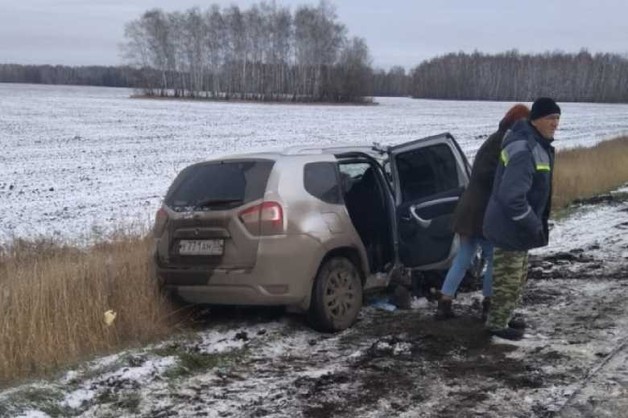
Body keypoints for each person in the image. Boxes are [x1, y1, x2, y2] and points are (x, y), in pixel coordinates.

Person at [435, 104, 531, 320]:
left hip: (468, 208)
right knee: (494, 258)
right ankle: (489, 304)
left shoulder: (493, 139)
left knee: (464, 257)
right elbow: (496, 178)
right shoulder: (506, 142)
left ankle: (444, 302)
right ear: (519, 123)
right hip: (482, 212)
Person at [483, 97, 560, 340]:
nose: (555, 123)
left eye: (558, 118)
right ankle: (496, 325)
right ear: (535, 119)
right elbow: (512, 196)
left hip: (520, 228)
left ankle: (504, 317)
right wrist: (532, 222)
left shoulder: (537, 145)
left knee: (518, 278)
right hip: (510, 227)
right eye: (550, 118)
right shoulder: (525, 148)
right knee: (508, 280)